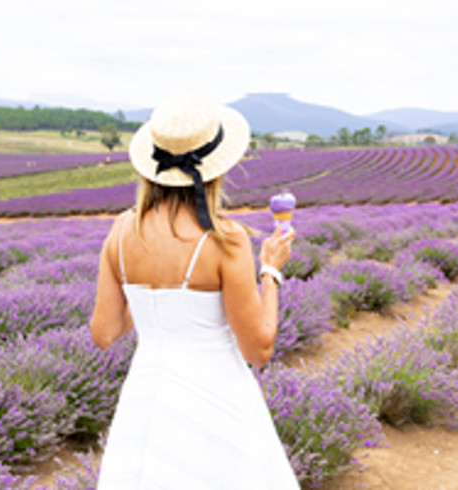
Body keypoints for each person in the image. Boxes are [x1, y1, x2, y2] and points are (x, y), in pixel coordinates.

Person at [89, 92, 299, 489]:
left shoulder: (120, 231)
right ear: (216, 167)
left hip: (146, 398)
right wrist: (270, 270)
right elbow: (259, 350)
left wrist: (148, 292)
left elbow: (104, 334)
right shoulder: (225, 239)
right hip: (215, 399)